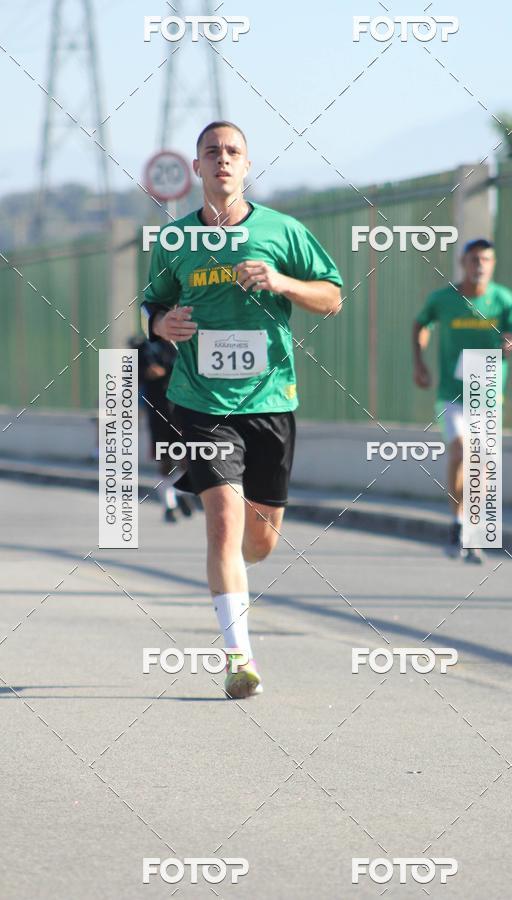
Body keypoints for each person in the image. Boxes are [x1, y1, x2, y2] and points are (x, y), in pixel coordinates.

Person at [141, 121, 342, 697]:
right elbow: (153, 304)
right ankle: (239, 659)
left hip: (271, 401)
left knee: (259, 543)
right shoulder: (174, 240)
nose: (223, 161)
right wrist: (161, 323)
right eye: (212, 153)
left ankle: (235, 579)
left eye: (233, 152)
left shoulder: (284, 231)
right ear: (198, 169)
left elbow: (331, 297)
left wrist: (281, 282)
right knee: (223, 524)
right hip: (200, 401)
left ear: (247, 166)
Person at [412, 238, 512, 562]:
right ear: (463, 262)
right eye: (474, 259)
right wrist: (419, 362)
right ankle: (456, 521)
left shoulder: (503, 300)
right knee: (460, 450)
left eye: (486, 260)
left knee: (479, 466)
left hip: (486, 393)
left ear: (492, 264)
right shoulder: (443, 299)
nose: (480, 265)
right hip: (451, 393)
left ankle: (469, 528)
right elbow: (420, 324)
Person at [131, 335, 194, 523]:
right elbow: (131, 374)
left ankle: (180, 492)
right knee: (164, 460)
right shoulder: (145, 347)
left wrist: (166, 370)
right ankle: (169, 504)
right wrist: (145, 372)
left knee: (186, 459)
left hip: (183, 410)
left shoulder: (185, 343)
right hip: (157, 412)